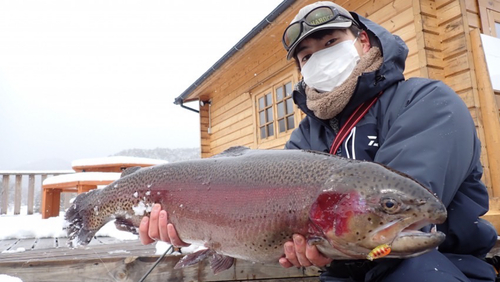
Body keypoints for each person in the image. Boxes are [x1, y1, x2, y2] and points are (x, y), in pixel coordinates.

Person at [139, 1, 497, 281]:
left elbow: (394, 210)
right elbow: (283, 228)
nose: (321, 57)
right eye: (307, 56)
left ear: (362, 40)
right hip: (342, 274)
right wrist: (194, 226)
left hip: (437, 266)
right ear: (301, 71)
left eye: (331, 42)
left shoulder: (427, 100)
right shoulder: (306, 136)